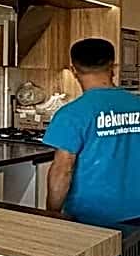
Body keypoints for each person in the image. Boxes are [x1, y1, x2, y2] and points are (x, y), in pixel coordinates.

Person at [43, 37, 140, 226]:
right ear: (113, 66)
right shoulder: (137, 104)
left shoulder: (71, 114)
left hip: (92, 216)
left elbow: (63, 169)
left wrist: (52, 213)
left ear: (73, 70)